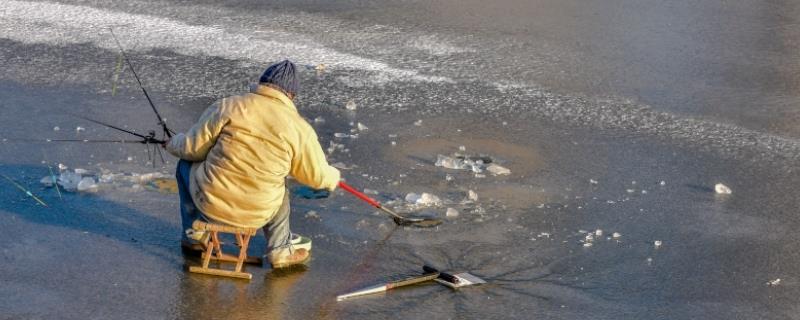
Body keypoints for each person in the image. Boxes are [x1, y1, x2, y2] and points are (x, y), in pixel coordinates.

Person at [165, 60, 340, 269]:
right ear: (291, 95)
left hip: (210, 202)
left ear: (262, 83)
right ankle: (280, 249)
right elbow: (317, 176)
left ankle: (194, 236)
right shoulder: (299, 127)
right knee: (279, 188)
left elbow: (191, 148)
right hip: (258, 213)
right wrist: (334, 177)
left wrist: (171, 142)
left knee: (186, 164)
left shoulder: (229, 106)